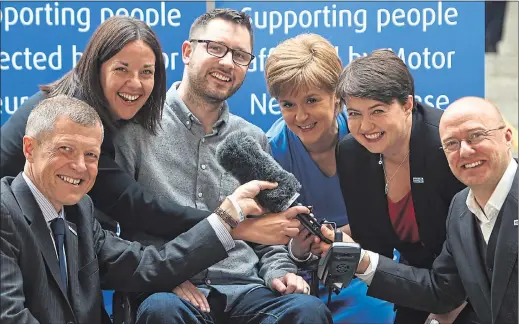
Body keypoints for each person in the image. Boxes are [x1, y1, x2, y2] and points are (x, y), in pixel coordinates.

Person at [0, 16, 298, 247]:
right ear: (96, 67)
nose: (135, 84)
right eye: (121, 69)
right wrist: (235, 223)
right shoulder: (75, 119)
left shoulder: (118, 116)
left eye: (146, 72)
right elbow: (137, 207)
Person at [114, 9, 332, 324]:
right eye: (216, 48)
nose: (228, 62)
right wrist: (159, 277)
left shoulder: (252, 138)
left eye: (241, 56)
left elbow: (270, 235)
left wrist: (280, 273)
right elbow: (114, 233)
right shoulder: (135, 130)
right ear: (187, 52)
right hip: (171, 291)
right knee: (162, 312)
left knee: (308, 312)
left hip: (247, 291)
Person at [0, 95, 290, 324]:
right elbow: (10, 317)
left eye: (91, 155)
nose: (79, 166)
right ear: (29, 148)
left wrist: (227, 217)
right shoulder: (4, 212)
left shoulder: (80, 212)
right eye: (65, 149)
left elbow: (148, 265)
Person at [316, 96, 518, 324]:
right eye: (452, 143)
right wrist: (361, 260)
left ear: (507, 136)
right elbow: (441, 291)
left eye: (476, 136)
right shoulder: (460, 207)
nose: (465, 151)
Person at [333, 49, 476, 323]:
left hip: (479, 279)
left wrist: (454, 305)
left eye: (378, 111)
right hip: (419, 280)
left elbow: (480, 241)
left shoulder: (446, 146)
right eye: (354, 113)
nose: (365, 126)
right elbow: (374, 247)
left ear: (408, 104)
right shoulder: (352, 153)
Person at [264, 33, 394, 323]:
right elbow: (266, 242)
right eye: (288, 104)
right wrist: (296, 250)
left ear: (337, 96)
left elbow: (394, 222)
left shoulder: (368, 137)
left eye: (311, 100)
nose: (300, 116)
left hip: (367, 268)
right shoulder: (272, 150)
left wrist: (342, 237)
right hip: (301, 281)